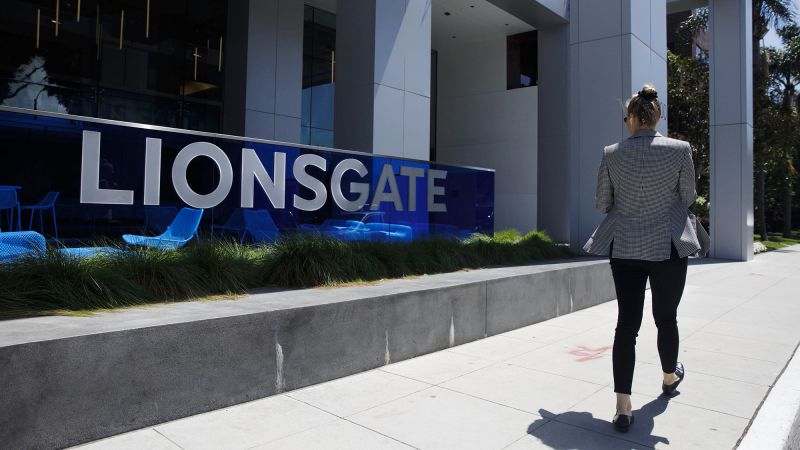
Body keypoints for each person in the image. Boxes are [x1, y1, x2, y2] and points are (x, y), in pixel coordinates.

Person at [583, 85, 702, 433]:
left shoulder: (611, 153)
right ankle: (669, 377)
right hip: (668, 246)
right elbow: (689, 197)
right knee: (666, 317)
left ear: (632, 118)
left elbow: (602, 204)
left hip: (625, 247)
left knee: (627, 325)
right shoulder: (680, 150)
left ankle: (622, 406)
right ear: (657, 116)